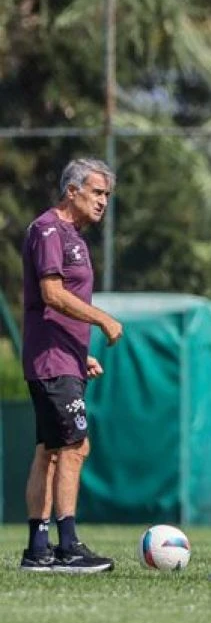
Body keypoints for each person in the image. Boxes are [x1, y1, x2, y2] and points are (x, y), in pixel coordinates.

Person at [19, 158, 122, 573]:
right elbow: (52, 294)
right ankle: (68, 547)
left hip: (63, 358)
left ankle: (37, 549)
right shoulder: (48, 230)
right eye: (97, 192)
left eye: (107, 195)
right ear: (72, 191)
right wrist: (103, 319)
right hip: (51, 362)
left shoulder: (72, 236)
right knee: (75, 447)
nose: (103, 202)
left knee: (49, 450)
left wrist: (81, 353)